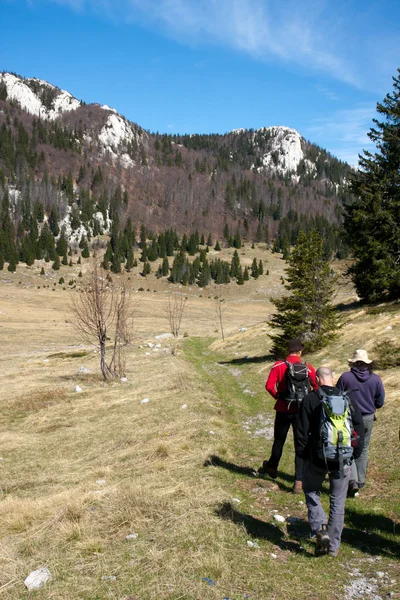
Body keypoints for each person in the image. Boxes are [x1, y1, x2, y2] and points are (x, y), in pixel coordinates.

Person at [296, 367, 365, 557]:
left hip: (317, 457)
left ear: (317, 379)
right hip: (343, 458)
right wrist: (355, 453)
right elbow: (359, 427)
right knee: (338, 502)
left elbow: (301, 432)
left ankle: (320, 529)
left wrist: (302, 454)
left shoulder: (310, 399)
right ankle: (333, 547)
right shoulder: (347, 399)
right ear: (332, 379)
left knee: (311, 490)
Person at [259, 339, 317, 493]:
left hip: (283, 410)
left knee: (279, 440)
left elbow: (269, 386)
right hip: (300, 412)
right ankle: (298, 481)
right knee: (301, 445)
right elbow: (316, 386)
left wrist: (278, 397)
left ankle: (272, 466)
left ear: (288, 351)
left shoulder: (278, 366)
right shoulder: (307, 368)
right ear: (300, 352)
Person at [337, 349, 385, 496]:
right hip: (368, 417)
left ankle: (352, 480)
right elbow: (380, 401)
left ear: (353, 363)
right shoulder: (376, 379)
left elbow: (338, 397)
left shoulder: (346, 377)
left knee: (349, 446)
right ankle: (360, 480)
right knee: (363, 448)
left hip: (349, 417)